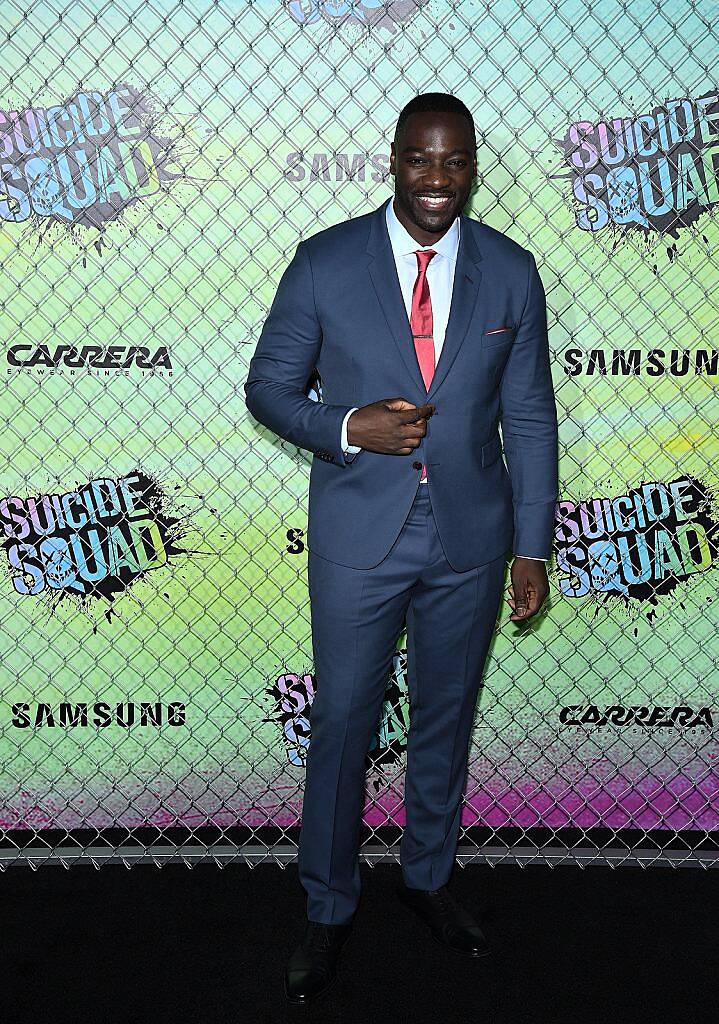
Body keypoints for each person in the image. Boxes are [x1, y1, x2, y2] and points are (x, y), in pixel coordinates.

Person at [244, 92, 559, 1005]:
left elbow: (530, 416)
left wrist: (530, 545)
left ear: (471, 167)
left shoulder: (510, 271)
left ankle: (427, 879)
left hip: (470, 535)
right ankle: (328, 904)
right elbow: (268, 388)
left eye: (454, 162)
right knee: (342, 723)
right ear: (393, 160)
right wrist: (348, 425)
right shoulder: (324, 263)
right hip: (358, 535)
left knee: (444, 717)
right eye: (421, 160)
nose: (436, 180)